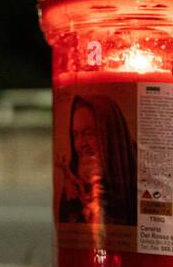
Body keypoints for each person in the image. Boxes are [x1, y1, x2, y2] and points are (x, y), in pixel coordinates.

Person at [56, 94, 137, 227]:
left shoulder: (138, 178)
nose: (80, 144)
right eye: (76, 135)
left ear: (110, 135)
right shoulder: (72, 182)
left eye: (89, 133)